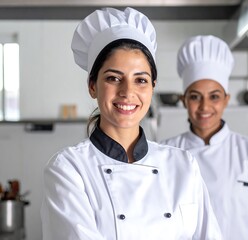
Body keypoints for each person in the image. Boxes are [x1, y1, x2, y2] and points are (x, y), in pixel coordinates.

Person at [40, 8, 222, 240]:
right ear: (93, 86)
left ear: (152, 87)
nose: (128, 92)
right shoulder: (69, 169)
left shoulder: (183, 165)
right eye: (114, 78)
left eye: (141, 80)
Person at [161, 35, 248, 239]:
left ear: (226, 100)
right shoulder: (166, 154)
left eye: (214, 97)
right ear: (184, 100)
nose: (204, 107)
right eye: (194, 97)